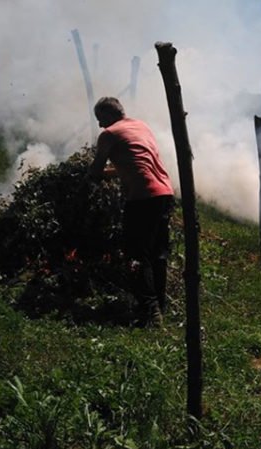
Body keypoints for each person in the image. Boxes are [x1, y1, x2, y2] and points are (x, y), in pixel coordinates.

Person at [88, 97, 174, 327]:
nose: (99, 125)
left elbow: (95, 171)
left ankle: (150, 313)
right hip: (165, 192)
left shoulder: (109, 134)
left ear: (108, 115)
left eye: (100, 119)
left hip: (143, 197)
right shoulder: (141, 126)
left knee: (136, 255)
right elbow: (135, 163)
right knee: (158, 254)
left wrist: (88, 176)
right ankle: (160, 306)